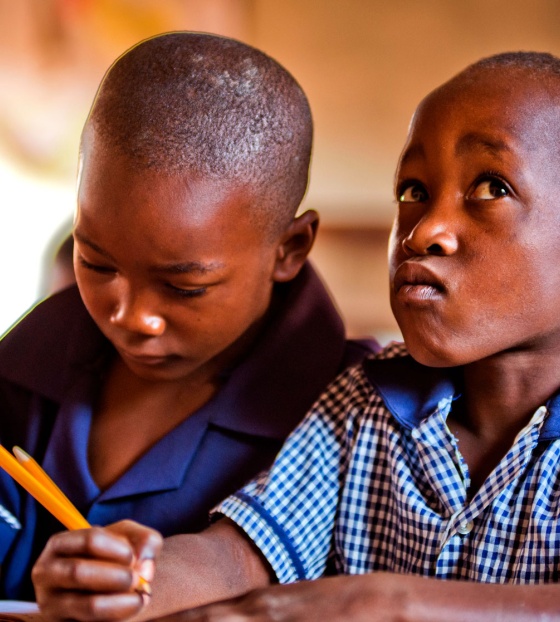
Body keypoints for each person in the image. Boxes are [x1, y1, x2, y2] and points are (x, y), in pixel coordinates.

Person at [36, 48, 560, 622]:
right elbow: (239, 560)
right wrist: (132, 582)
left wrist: (389, 601)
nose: (426, 229)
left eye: (490, 187)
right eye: (413, 190)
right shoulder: (364, 405)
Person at [0, 31, 379, 601]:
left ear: (291, 249)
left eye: (184, 287)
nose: (131, 317)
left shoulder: (348, 418)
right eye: (96, 263)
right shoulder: (38, 349)